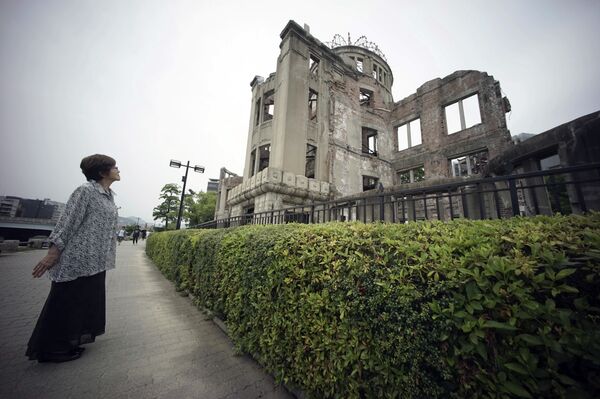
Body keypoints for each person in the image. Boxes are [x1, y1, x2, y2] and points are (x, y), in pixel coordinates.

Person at [26, 154, 120, 363]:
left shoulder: (109, 195)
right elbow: (68, 222)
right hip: (77, 259)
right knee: (66, 303)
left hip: (95, 261)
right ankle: (52, 350)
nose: (118, 170)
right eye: (114, 167)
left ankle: (71, 341)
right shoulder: (85, 191)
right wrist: (53, 253)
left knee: (84, 303)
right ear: (102, 172)